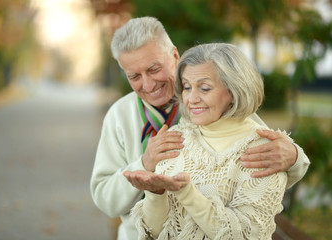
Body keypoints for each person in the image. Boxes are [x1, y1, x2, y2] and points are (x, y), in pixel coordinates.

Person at [90, 17, 310, 240]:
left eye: (154, 69)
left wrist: (293, 157)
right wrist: (145, 165)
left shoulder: (220, 104)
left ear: (174, 56)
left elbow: (258, 146)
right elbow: (105, 199)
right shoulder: (119, 115)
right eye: (134, 76)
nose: (148, 85)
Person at [124, 43, 293, 239]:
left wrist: (187, 193)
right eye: (187, 87)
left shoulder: (264, 149)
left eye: (204, 88)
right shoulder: (175, 138)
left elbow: (247, 235)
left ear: (233, 90)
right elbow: (154, 232)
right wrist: (156, 193)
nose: (191, 98)